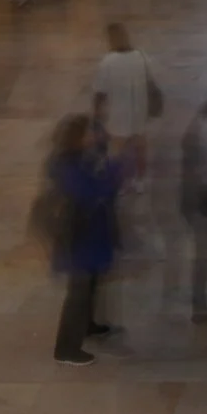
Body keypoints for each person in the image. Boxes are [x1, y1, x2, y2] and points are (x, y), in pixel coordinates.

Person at [44, 112, 134, 366]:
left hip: (93, 234)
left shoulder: (84, 156)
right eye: (90, 133)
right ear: (77, 138)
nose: (95, 136)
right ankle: (67, 348)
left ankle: (87, 325)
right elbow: (92, 190)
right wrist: (119, 166)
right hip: (80, 239)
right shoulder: (66, 167)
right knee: (79, 292)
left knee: (91, 284)